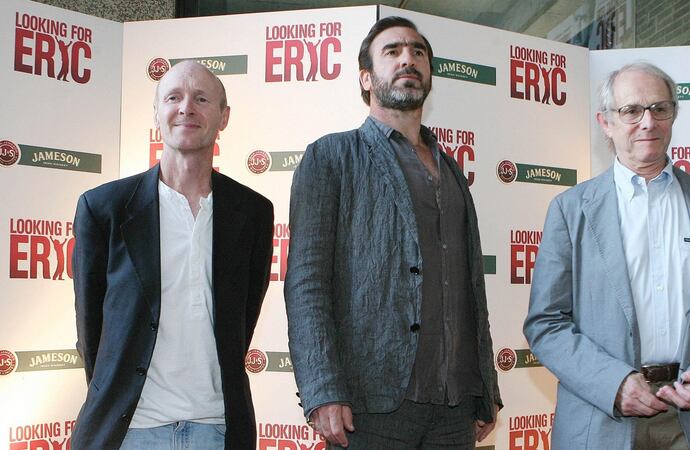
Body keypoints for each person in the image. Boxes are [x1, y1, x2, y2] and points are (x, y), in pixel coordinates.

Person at [285, 16, 502, 449]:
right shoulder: (331, 156)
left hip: (455, 404)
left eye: (418, 52)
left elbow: (467, 287)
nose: (409, 59)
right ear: (365, 78)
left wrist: (485, 388)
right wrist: (323, 388)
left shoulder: (451, 167)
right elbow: (306, 282)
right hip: (370, 405)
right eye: (393, 51)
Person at [524, 61, 690, 450]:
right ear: (606, 123)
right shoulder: (571, 210)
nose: (648, 122)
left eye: (659, 108)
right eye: (631, 111)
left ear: (673, 116)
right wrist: (612, 383)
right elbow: (546, 324)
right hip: (602, 419)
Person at [71, 61, 274, 449]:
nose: (186, 108)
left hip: (217, 428)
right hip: (128, 432)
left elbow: (244, 317)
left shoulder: (253, 211)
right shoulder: (104, 208)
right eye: (174, 97)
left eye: (201, 98)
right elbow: (90, 326)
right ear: (157, 113)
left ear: (223, 117)